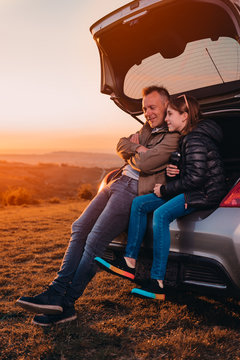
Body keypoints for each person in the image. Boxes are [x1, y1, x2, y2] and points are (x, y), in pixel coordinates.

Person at [16, 86, 180, 325]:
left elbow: (146, 163)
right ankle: (56, 292)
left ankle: (66, 303)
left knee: (95, 242)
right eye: (145, 108)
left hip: (132, 191)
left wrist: (138, 152)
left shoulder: (172, 136)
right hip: (117, 181)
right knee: (79, 227)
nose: (148, 113)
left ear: (166, 106)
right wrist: (137, 147)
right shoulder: (147, 129)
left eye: (152, 107)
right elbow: (121, 145)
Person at [95, 94, 226, 300]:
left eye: (170, 114)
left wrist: (165, 190)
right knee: (139, 204)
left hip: (203, 194)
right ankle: (129, 261)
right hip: (192, 188)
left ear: (185, 116)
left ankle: (158, 282)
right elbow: (194, 170)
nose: (167, 119)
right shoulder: (187, 138)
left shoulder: (195, 139)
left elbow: (197, 179)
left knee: (161, 214)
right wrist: (176, 169)